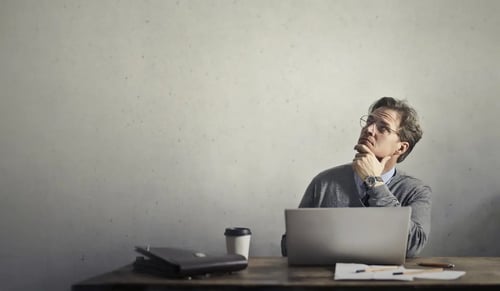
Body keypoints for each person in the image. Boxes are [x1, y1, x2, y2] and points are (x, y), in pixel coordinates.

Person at [281, 97, 431, 258]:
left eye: (383, 128)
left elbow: (413, 247)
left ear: (401, 147)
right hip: (327, 279)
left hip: (387, 281)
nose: (369, 129)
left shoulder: (416, 191)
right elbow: (289, 247)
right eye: (369, 122)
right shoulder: (324, 182)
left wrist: (374, 182)